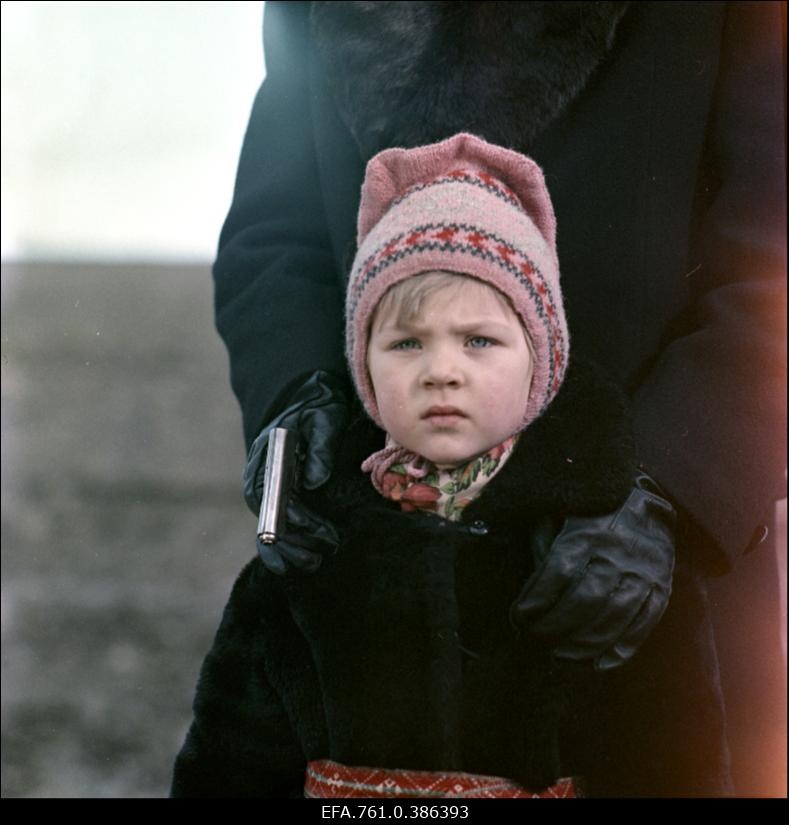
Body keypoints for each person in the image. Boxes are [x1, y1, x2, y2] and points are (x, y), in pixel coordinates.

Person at [209, 1, 786, 795]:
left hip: (646, 577)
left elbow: (772, 253)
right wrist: (293, 404)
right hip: (376, 556)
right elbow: (276, 232)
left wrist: (668, 493)